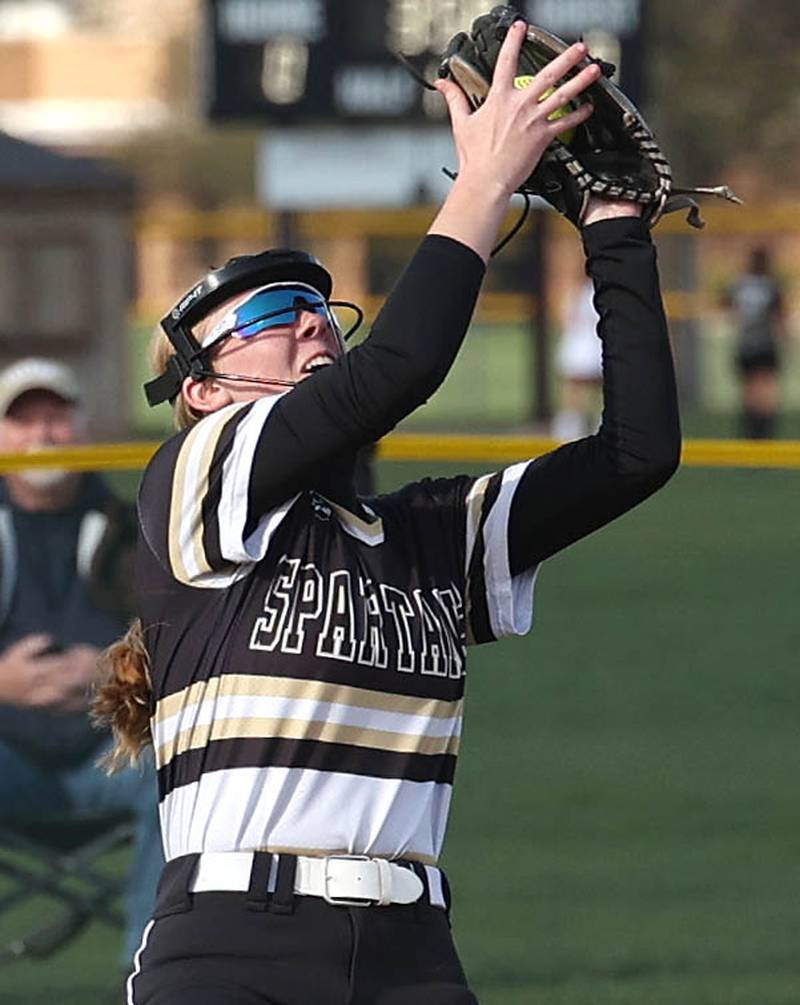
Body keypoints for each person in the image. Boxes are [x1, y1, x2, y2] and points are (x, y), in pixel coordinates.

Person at [94, 24, 680, 1005]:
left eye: (320, 308)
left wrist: (614, 224)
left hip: (411, 951)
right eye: (270, 314)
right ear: (200, 389)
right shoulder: (196, 480)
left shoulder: (423, 538)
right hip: (232, 947)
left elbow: (637, 452)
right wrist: (484, 180)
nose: (310, 322)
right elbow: (394, 373)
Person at [0, 356, 164, 968]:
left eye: (57, 419)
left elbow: (189, 642)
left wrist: (109, 673)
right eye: (24, 421)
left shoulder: (138, 527)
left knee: (178, 767)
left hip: (110, 757)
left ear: (85, 432)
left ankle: (147, 970)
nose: (43, 435)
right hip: (10, 760)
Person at [722, 246, 787, 439]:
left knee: (749, 389)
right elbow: (779, 315)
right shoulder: (771, 285)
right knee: (765, 389)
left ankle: (751, 431)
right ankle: (763, 432)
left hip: (746, 343)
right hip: (765, 342)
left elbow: (725, 305)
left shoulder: (739, 285)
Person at [551, 275, 603, 440]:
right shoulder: (579, 291)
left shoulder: (584, 292)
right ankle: (572, 430)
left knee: (581, 393)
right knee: (576, 394)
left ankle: (575, 430)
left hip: (589, 347)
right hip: (584, 346)